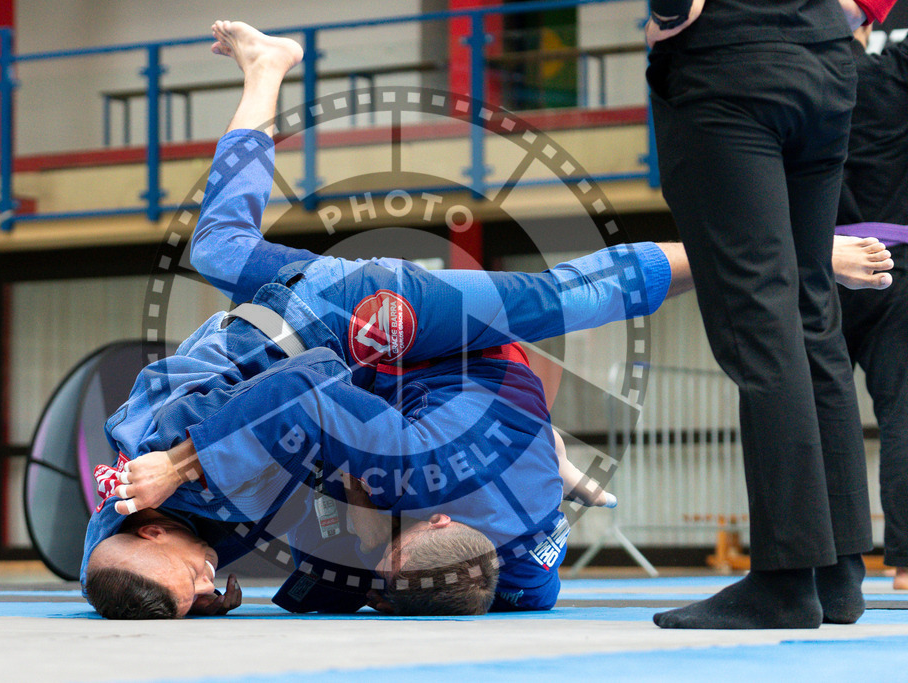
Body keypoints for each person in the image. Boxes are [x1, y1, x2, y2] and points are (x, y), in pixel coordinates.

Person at [82, 19, 897, 620]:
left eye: (189, 582)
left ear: (151, 530)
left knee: (553, 301)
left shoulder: (151, 457)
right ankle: (266, 68)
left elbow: (311, 386)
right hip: (380, 375)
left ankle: (799, 252)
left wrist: (181, 465)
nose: (206, 587)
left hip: (340, 315)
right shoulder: (136, 567)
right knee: (222, 247)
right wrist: (531, 443)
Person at [643, 0, 899, 629]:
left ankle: (785, 580)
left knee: (760, 319)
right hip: (826, 66)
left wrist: (669, 16)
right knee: (811, 310)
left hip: (729, 66)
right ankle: (838, 575)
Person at [837, 25, 908, 590]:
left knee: (820, 414)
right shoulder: (895, 77)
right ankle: (906, 563)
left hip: (823, 262)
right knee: (904, 415)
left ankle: (828, 563)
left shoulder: (807, 88)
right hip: (893, 261)